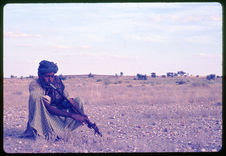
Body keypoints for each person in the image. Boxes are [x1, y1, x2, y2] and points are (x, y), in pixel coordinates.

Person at [22, 60, 88, 141]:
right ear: (40, 75)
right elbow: (48, 107)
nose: (50, 79)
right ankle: (44, 131)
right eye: (47, 76)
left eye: (52, 76)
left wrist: (82, 114)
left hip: (59, 113)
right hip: (45, 114)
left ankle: (64, 130)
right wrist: (71, 115)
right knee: (34, 96)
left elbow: (70, 100)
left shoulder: (57, 82)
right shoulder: (35, 84)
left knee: (79, 100)